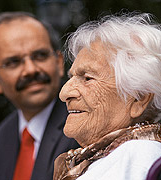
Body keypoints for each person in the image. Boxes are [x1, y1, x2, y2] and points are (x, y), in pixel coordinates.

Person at [53, 12, 161, 180]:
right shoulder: (98, 160)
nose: (64, 93)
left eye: (87, 78)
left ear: (139, 99)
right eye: (71, 77)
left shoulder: (139, 159)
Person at [0, 11, 79, 180]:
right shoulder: (2, 136)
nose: (31, 69)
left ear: (58, 63)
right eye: (13, 62)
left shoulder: (82, 126)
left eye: (40, 55)